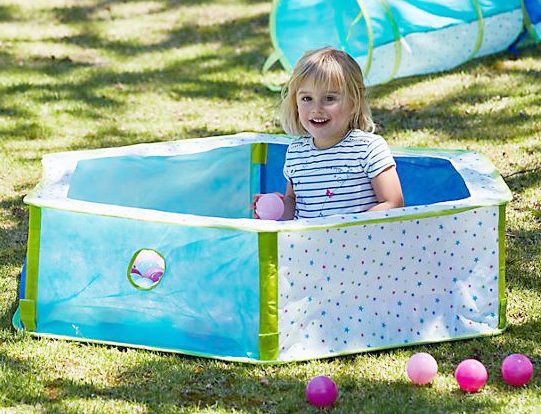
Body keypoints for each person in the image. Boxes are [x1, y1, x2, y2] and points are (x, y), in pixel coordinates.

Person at [275, 46, 404, 219]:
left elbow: (393, 203)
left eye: (329, 98)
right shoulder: (296, 151)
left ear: (353, 103)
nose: (316, 109)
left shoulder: (367, 148)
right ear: (295, 103)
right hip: (308, 245)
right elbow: (293, 201)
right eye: (307, 99)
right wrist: (278, 207)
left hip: (357, 244)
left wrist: (345, 228)